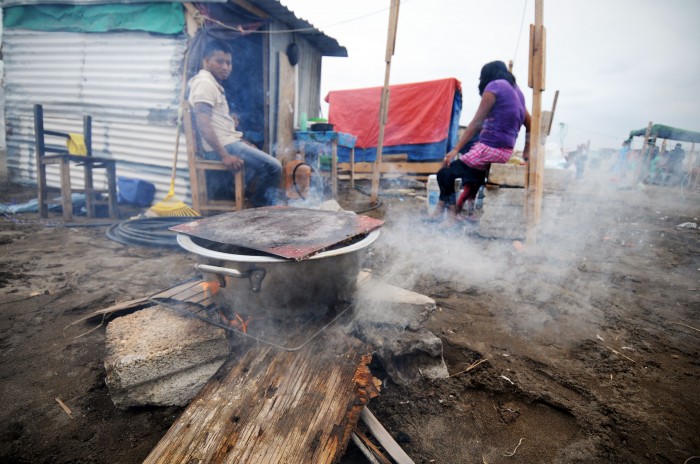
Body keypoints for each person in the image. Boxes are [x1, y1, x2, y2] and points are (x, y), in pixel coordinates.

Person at [433, 61, 531, 223]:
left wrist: (455, 149)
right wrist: (527, 149)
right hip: (504, 152)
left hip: (489, 149)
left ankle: (451, 216)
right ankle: (447, 210)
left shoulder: (495, 86)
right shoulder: (517, 91)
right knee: (472, 174)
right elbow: (531, 124)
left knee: (444, 173)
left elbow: (477, 123)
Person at [188, 39, 282, 207]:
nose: (225, 67)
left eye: (228, 63)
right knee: (273, 168)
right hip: (221, 148)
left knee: (255, 152)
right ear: (206, 61)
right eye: (219, 61)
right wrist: (224, 155)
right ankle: (260, 208)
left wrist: (241, 141)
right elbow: (203, 123)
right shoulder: (204, 83)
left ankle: (238, 196)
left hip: (228, 142)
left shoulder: (213, 84)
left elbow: (217, 123)